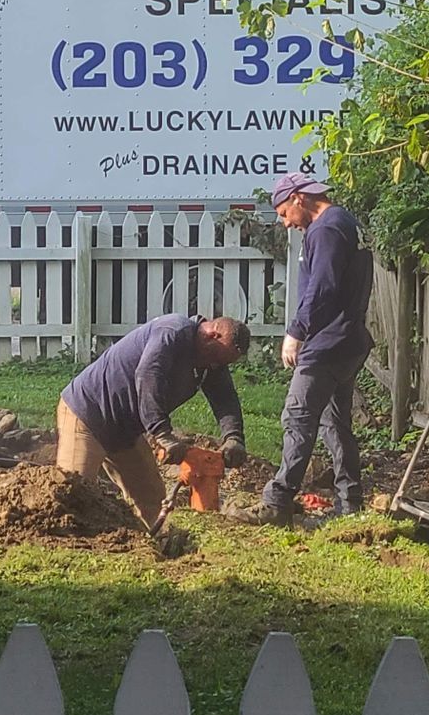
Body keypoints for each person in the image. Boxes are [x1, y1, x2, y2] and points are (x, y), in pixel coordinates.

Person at [232, 173, 375, 525]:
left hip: (326, 345)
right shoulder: (344, 221)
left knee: (297, 418)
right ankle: (349, 504)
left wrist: (297, 331)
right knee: (335, 424)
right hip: (349, 340)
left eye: (283, 213)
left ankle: (277, 502)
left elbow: (323, 288)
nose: (284, 223)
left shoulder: (325, 229)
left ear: (298, 198)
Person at [57, 314, 251, 531]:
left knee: (154, 502)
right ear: (212, 335)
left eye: (222, 364)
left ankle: (158, 551)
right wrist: (162, 434)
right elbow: (148, 375)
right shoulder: (172, 332)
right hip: (88, 415)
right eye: (216, 359)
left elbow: (224, 397)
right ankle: (59, 552)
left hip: (125, 432)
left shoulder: (211, 361)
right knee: (73, 498)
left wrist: (233, 436)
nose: (216, 366)